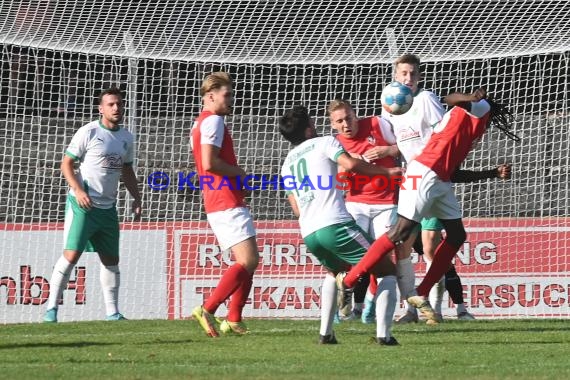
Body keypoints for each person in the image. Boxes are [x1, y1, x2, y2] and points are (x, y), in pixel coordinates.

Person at [338, 88, 517, 314]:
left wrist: (490, 173)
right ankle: (349, 281)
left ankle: (421, 292)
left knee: (457, 235)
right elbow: (451, 98)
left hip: (438, 177)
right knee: (400, 233)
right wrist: (471, 98)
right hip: (424, 172)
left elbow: (453, 173)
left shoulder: (464, 129)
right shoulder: (481, 109)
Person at [383, 54, 510, 323]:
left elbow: (445, 129)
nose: (409, 78)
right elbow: (404, 145)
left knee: (430, 245)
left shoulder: (426, 99)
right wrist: (389, 151)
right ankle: (411, 310)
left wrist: (464, 137)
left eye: (413, 74)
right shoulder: (391, 104)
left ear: (419, 76)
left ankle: (435, 310)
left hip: (435, 175)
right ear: (395, 75)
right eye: (404, 73)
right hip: (414, 178)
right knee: (404, 244)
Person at [279, 105, 402, 345]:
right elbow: (351, 165)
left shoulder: (287, 163)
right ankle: (384, 336)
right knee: (387, 271)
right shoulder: (325, 142)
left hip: (309, 232)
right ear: (308, 129)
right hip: (334, 224)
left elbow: (295, 207)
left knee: (332, 273)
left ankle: (326, 333)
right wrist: (387, 172)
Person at [43, 87, 142, 323]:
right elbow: (66, 163)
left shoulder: (126, 137)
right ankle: (50, 311)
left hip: (108, 208)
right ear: (101, 108)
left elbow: (127, 170)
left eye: (119, 104)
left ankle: (113, 313)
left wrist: (137, 198)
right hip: (83, 205)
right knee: (71, 256)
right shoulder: (88, 132)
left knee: (111, 260)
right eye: (111, 104)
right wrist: (78, 191)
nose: (116, 108)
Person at [190, 72, 259, 337]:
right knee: (248, 260)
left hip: (218, 196)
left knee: (249, 261)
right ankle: (208, 309)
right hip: (224, 198)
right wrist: (239, 173)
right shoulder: (214, 121)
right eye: (226, 95)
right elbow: (209, 163)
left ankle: (234, 318)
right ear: (210, 96)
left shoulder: (199, 123)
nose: (231, 99)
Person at [328, 99, 404, 324]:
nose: (345, 124)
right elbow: (336, 174)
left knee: (380, 257)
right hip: (355, 203)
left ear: (356, 115)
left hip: (386, 202)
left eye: (348, 118)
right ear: (333, 125)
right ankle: (337, 309)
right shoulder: (334, 143)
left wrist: (389, 149)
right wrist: (350, 166)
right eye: (339, 121)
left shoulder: (378, 124)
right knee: (348, 257)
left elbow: (409, 144)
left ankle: (370, 308)